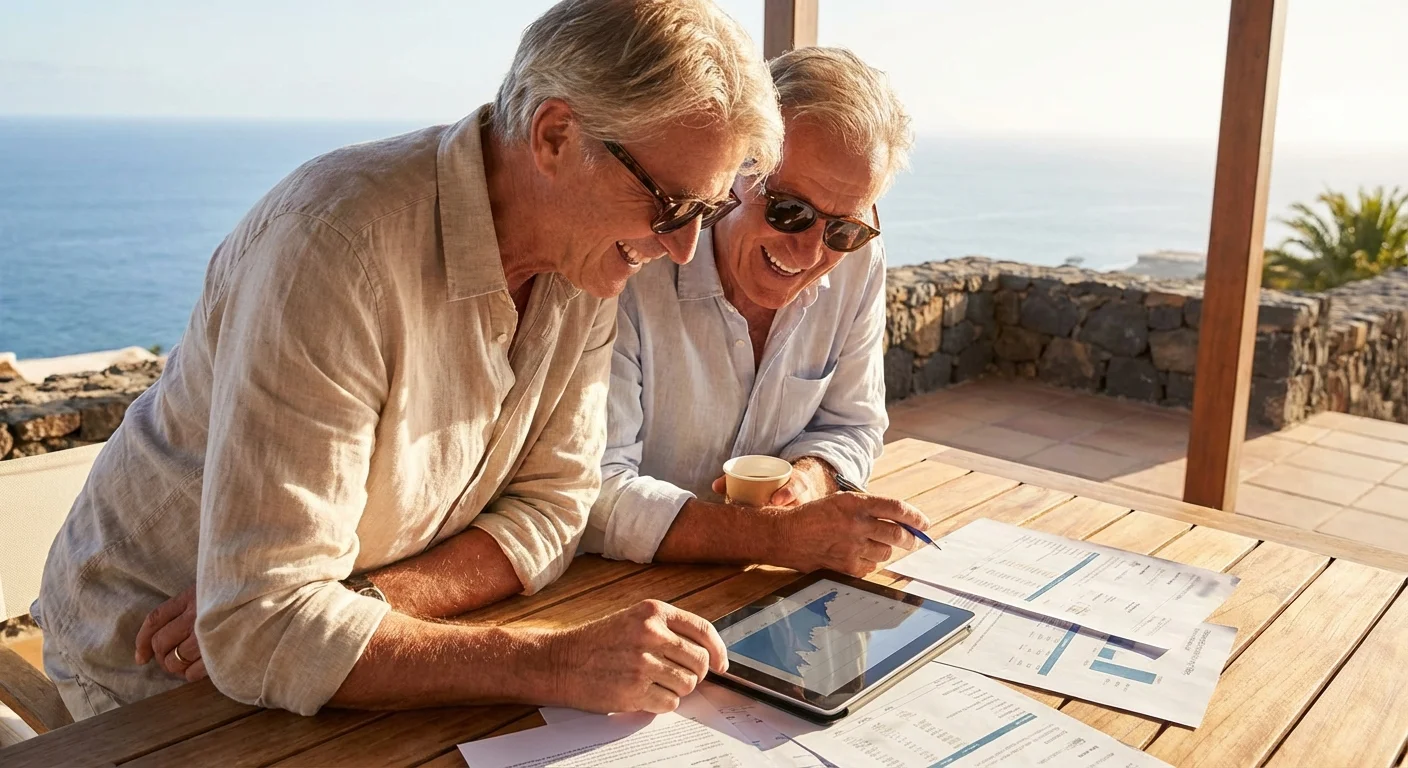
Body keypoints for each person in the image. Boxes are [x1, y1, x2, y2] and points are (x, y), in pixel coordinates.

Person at [33, 0, 783, 720]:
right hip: (144, 669)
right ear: (556, 136)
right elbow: (260, 629)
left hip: (323, 652)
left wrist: (358, 603)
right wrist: (551, 664)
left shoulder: (585, 255)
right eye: (671, 206)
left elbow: (555, 509)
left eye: (706, 212)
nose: (681, 247)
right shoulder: (337, 247)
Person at [582, 47, 926, 576]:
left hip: (754, 589)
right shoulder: (634, 261)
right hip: (612, 588)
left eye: (844, 229)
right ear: (734, 172)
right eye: (790, 210)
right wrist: (777, 539)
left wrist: (810, 477)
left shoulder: (860, 262)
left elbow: (853, 424)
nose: (811, 254)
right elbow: (593, 492)